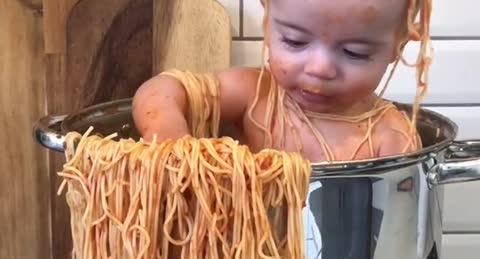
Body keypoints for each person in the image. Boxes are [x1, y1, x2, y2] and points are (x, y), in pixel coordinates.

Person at [132, 0, 432, 163]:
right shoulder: (255, 95)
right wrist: (170, 140)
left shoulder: (391, 136)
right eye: (295, 41)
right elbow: (162, 90)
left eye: (355, 52)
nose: (320, 69)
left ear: (400, 44)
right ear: (267, 14)